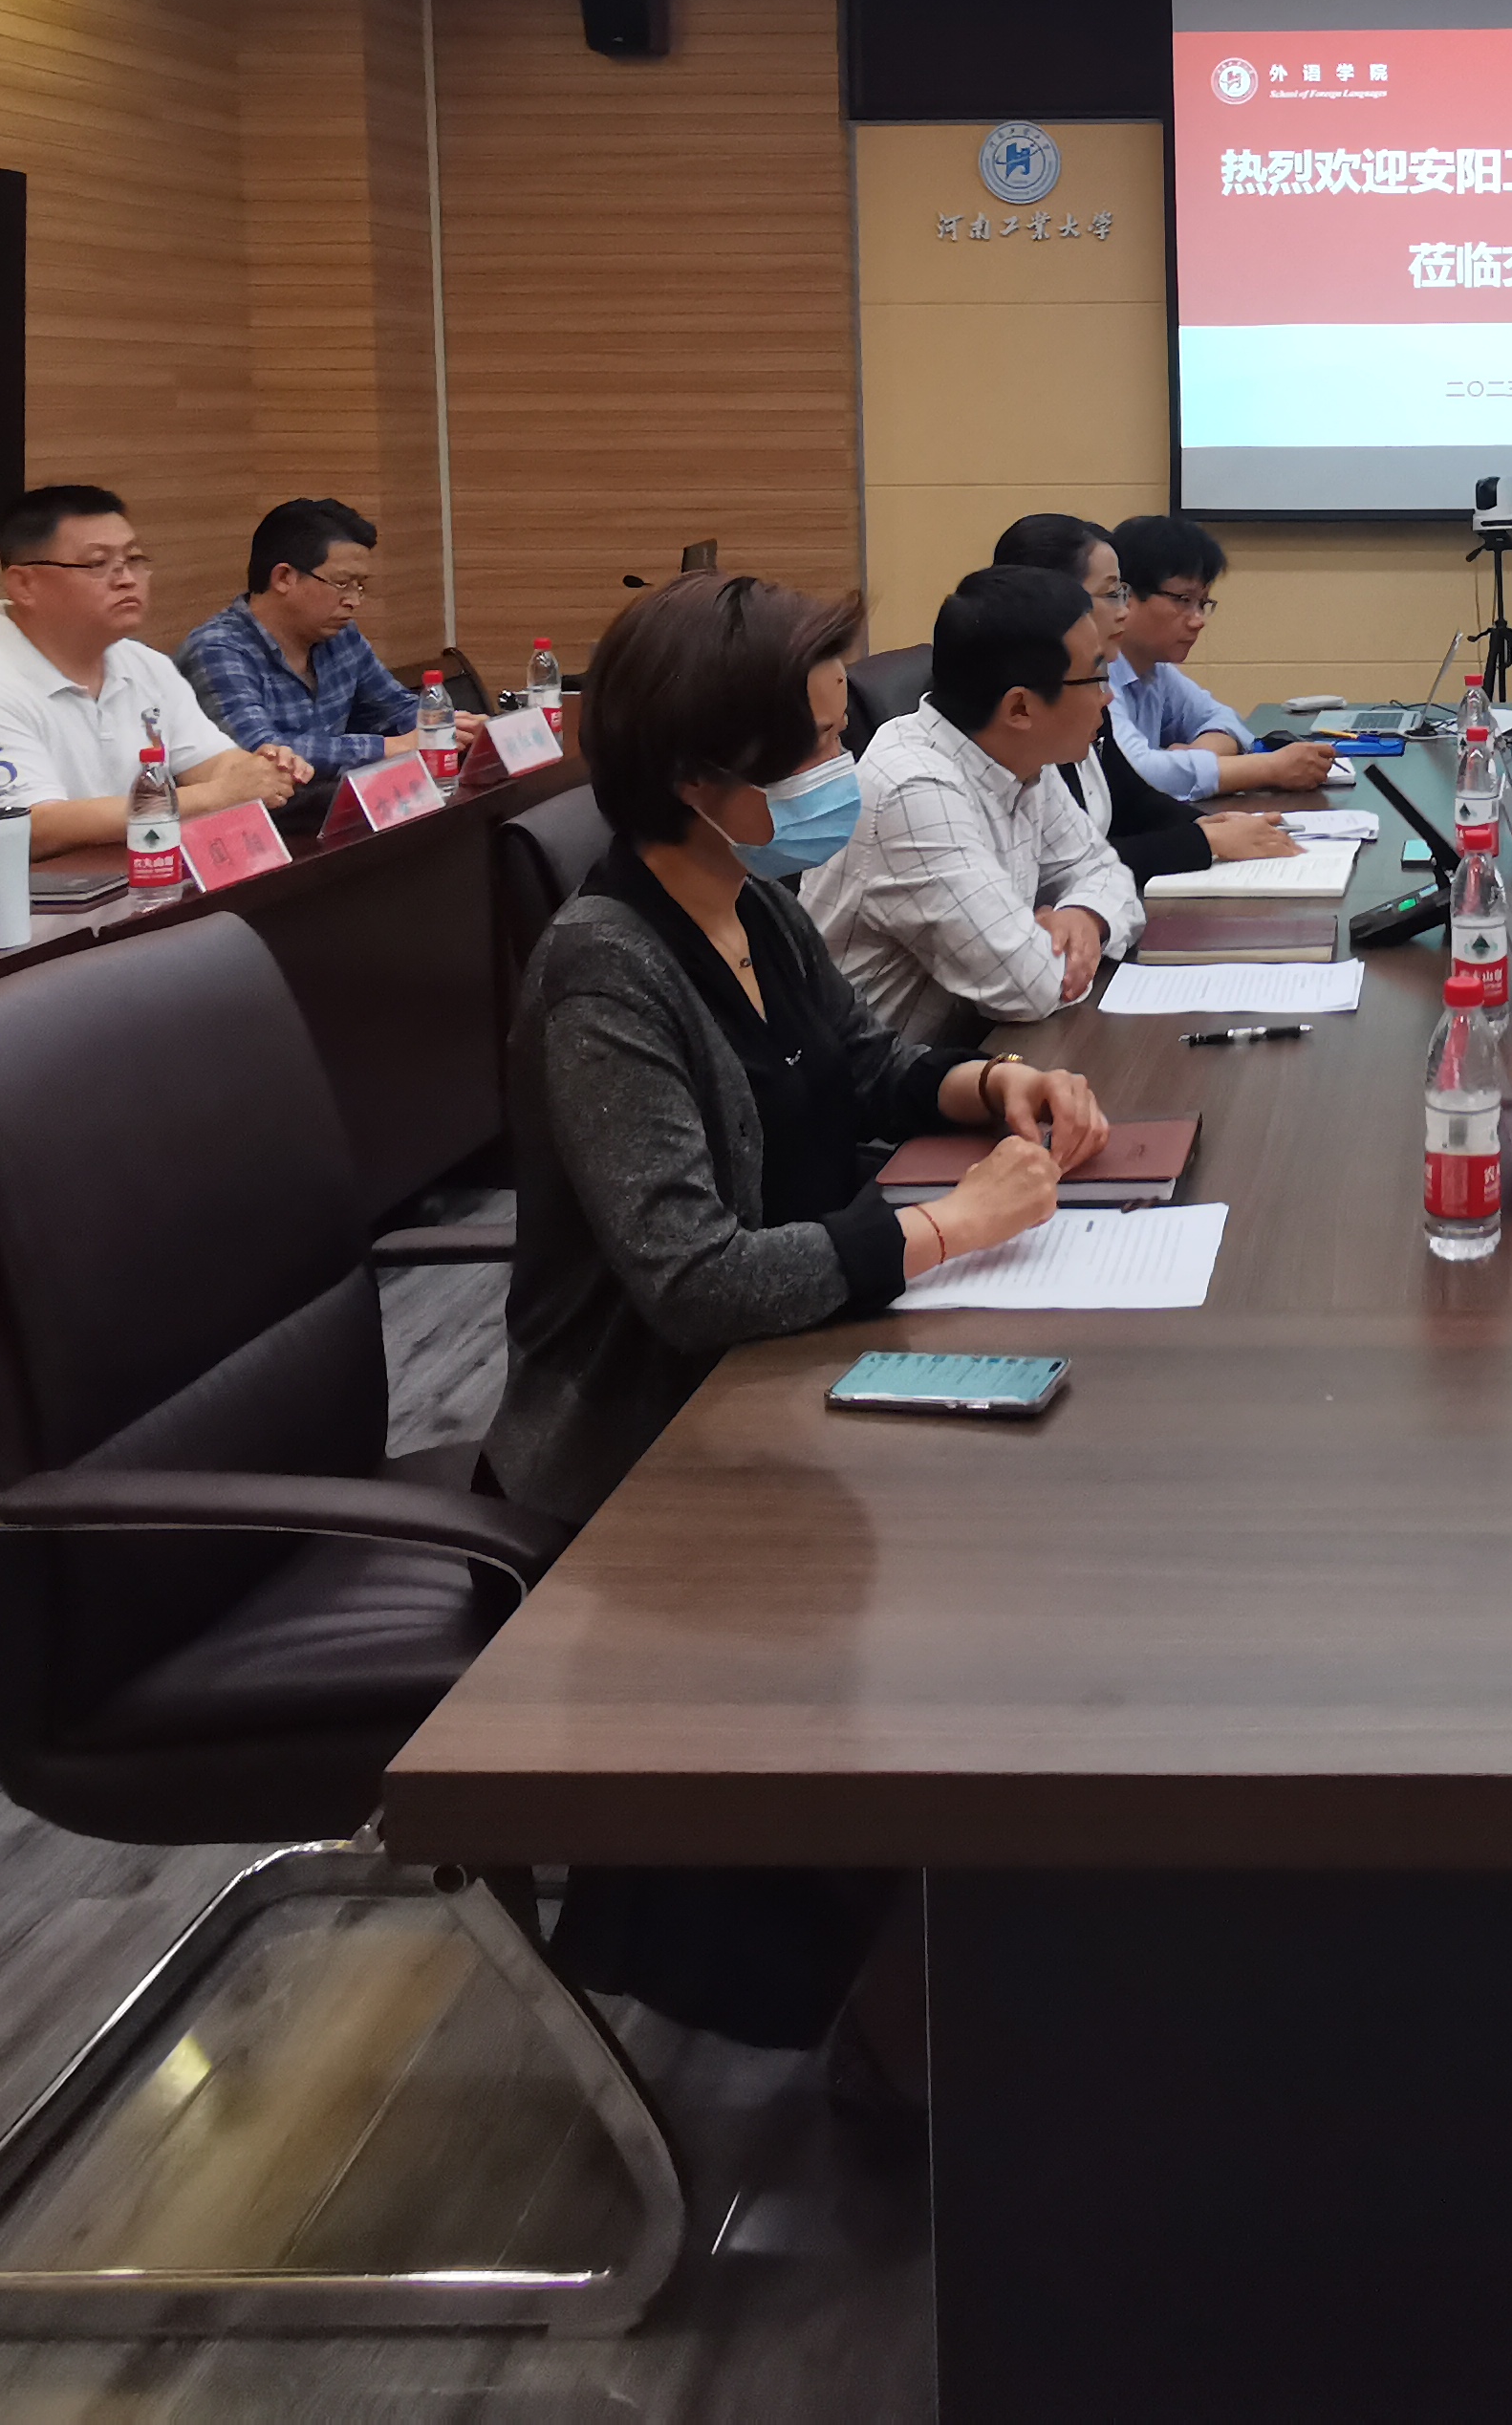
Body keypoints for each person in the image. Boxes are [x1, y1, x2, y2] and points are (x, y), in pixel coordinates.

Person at [493, 569, 1105, 2053]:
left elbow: (863, 1067)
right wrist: (947, 1226)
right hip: (652, 1435)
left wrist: (991, 1083)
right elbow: (694, 1279)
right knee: (1002, 1592)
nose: (849, 770)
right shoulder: (606, 970)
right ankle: (905, 2018)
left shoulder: (753, 903)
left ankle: (970, 1966)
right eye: (821, 747)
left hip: (792, 1365)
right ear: (703, 779)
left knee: (1056, 1524)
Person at [0, 487, 304, 890]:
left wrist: (257, 770)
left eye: (134, 559)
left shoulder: (145, 664)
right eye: (98, 564)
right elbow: (35, 827)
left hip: (108, 889)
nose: (127, 578)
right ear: (24, 584)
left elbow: (210, 761)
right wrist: (217, 795)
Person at [810, 563, 1145, 1045]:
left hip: (959, 1056)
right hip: (871, 1083)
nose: (1108, 696)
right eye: (1094, 677)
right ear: (1020, 707)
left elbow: (1106, 872)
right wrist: (1047, 943)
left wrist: (1083, 917)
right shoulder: (914, 790)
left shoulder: (1019, 753)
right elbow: (1029, 986)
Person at [985, 513, 1290, 879]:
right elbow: (1065, 865)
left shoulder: (1090, 682)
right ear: (1050, 599)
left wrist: (1206, 826)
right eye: (1113, 594)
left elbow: (1131, 797)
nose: (1124, 610)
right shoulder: (1027, 707)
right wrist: (1203, 841)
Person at [1108, 513, 1344, 809]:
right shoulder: (1094, 674)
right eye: (1183, 600)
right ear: (1125, 595)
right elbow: (1136, 772)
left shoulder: (1155, 671)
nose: (1198, 621)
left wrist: (1194, 757)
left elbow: (1226, 720)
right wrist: (1269, 768)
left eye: (1203, 603)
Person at [177, 497, 421, 775]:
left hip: (328, 797)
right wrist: (386, 748)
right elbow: (261, 752)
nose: (354, 601)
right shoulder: (217, 649)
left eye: (360, 586)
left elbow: (395, 708)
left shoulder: (341, 636)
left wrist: (442, 725)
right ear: (284, 578)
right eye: (342, 583)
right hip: (267, 802)